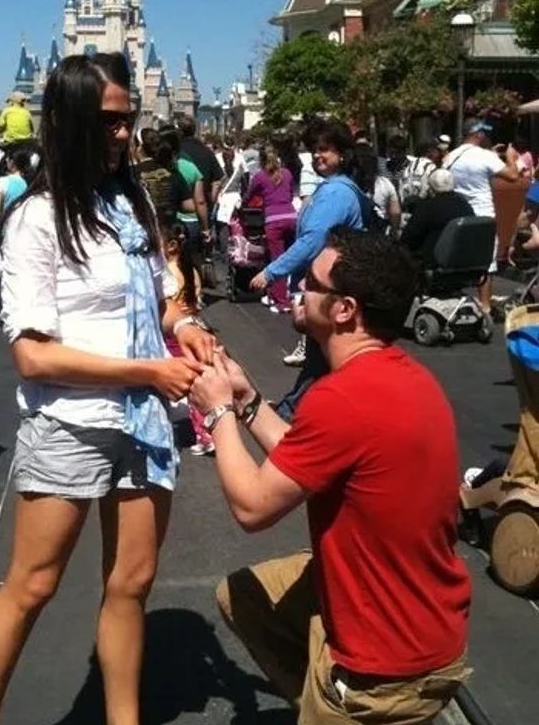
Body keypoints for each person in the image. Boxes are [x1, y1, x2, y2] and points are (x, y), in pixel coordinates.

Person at [0, 52, 216, 725]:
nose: (124, 134)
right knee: (34, 583)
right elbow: (34, 358)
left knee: (131, 584)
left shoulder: (131, 206)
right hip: (73, 424)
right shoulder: (38, 219)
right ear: (70, 121)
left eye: (128, 119)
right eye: (109, 121)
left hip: (143, 424)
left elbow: (163, 302)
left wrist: (186, 326)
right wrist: (148, 372)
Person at [190, 227, 472, 725]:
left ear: (344, 309)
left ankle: (341, 705)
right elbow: (302, 461)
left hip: (383, 665)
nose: (298, 287)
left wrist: (217, 414)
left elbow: (253, 507)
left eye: (311, 282)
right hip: (427, 621)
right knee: (246, 595)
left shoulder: (342, 399)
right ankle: (317, 703)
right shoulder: (399, 376)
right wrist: (246, 400)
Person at [251, 122, 364, 414]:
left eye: (324, 150)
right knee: (320, 361)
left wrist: (271, 271)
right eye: (314, 150)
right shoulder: (333, 189)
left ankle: (292, 416)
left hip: (333, 288)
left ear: (342, 155)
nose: (317, 155)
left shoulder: (337, 193)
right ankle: (294, 409)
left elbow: (313, 240)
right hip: (330, 286)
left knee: (322, 364)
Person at [444, 120, 520, 312]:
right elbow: (513, 175)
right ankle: (485, 305)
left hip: (459, 214)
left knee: (462, 259)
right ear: (477, 133)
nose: (485, 136)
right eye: (483, 133)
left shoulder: (451, 156)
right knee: (486, 262)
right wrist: (510, 157)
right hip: (484, 215)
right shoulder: (485, 156)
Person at [162, 222, 214, 457]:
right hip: (195, 324)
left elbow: (166, 305)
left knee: (185, 384)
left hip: (176, 334)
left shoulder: (169, 273)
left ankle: (203, 434)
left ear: (171, 246)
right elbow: (198, 299)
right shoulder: (191, 270)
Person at [246, 148, 297, 313]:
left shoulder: (260, 176)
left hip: (273, 221)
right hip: (291, 216)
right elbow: (289, 193)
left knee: (278, 260)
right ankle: (293, 292)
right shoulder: (287, 173)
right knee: (293, 257)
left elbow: (249, 195)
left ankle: (281, 301)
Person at [401, 168, 474, 266]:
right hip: (464, 261)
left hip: (435, 263)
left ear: (431, 188)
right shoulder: (465, 205)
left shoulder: (427, 208)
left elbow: (408, 239)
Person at [135, 128, 193, 229]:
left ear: (139, 147)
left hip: (143, 230)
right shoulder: (172, 172)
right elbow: (188, 205)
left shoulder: (132, 173)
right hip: (168, 230)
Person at [352, 143, 401, 236]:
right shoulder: (385, 183)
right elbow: (396, 213)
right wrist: (394, 231)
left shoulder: (350, 186)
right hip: (381, 235)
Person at [178, 115, 224, 209]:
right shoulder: (207, 152)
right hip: (203, 206)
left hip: (179, 207)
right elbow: (217, 181)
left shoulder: (175, 152)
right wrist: (212, 200)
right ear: (194, 130)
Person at [400, 140, 442, 210]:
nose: (439, 154)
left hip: (406, 205)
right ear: (430, 151)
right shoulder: (430, 166)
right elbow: (430, 190)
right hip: (422, 206)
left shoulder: (410, 166)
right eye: (437, 151)